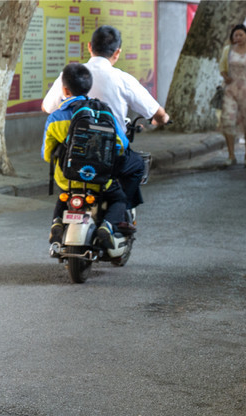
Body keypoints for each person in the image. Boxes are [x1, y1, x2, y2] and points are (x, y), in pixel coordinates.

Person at [42, 25, 170, 214]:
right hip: (108, 155)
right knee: (136, 166)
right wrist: (163, 119)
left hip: (72, 158)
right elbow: (156, 112)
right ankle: (118, 214)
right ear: (117, 53)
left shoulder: (69, 75)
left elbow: (47, 107)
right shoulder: (122, 79)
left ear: (89, 47)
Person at [43, 63, 131, 250]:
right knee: (120, 199)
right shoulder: (103, 113)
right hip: (100, 180)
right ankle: (107, 225)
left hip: (69, 178)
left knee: (63, 197)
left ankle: (57, 222)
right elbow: (122, 145)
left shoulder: (55, 117)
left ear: (64, 90)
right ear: (88, 88)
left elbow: (47, 154)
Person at [219, 24, 246, 168]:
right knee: (228, 121)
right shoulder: (228, 51)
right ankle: (231, 155)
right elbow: (222, 68)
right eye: (235, 35)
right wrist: (225, 76)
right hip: (231, 91)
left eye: (240, 35)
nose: (238, 38)